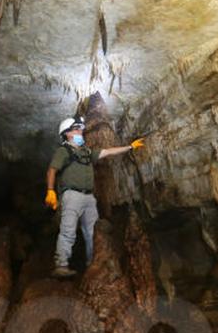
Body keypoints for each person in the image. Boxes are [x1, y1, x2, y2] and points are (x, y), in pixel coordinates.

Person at [43, 116, 145, 278]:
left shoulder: (87, 152)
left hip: (89, 198)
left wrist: (129, 147)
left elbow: (107, 152)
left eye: (80, 129)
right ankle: (61, 265)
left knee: (93, 232)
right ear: (67, 134)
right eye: (76, 129)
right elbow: (52, 170)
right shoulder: (63, 151)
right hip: (72, 195)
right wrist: (50, 190)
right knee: (68, 230)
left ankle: (93, 264)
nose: (80, 132)